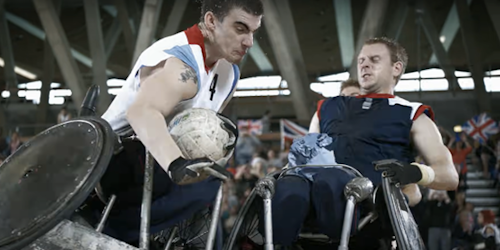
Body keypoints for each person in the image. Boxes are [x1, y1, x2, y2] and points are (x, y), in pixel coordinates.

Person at [82, 0, 263, 246]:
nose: (249, 42)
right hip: (110, 166)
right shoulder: (180, 62)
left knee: (221, 150)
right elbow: (142, 112)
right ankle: (109, 226)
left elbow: (203, 133)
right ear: (211, 21)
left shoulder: (229, 74)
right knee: (205, 179)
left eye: (253, 32)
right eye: (240, 29)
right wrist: (177, 164)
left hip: (155, 173)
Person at [268, 37, 458, 247]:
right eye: (361, 60)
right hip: (316, 199)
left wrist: (414, 173)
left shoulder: (413, 114)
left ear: (396, 68)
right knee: (288, 185)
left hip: (368, 209)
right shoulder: (326, 108)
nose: (364, 64)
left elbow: (449, 175)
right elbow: (304, 160)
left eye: (374, 59)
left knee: (331, 179)